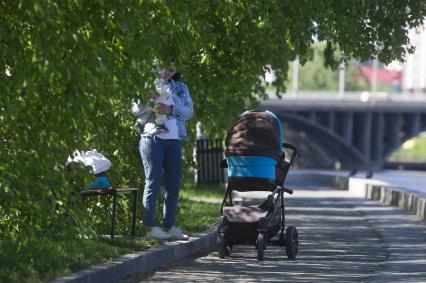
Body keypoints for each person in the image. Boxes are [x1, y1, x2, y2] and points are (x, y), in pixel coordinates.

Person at [131, 63, 194, 240]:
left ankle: (169, 226)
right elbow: (135, 110)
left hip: (174, 139)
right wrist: (150, 98)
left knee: (173, 184)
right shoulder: (146, 84)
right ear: (156, 67)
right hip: (152, 138)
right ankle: (150, 228)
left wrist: (172, 109)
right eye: (164, 67)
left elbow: (189, 112)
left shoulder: (181, 87)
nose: (167, 71)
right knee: (153, 181)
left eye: (172, 69)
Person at [132, 64, 176, 135]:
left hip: (152, 102)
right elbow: (159, 89)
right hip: (152, 102)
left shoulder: (162, 81)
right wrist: (166, 95)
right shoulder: (158, 80)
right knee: (158, 110)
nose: (166, 74)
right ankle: (159, 124)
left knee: (149, 111)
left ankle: (139, 123)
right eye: (164, 72)